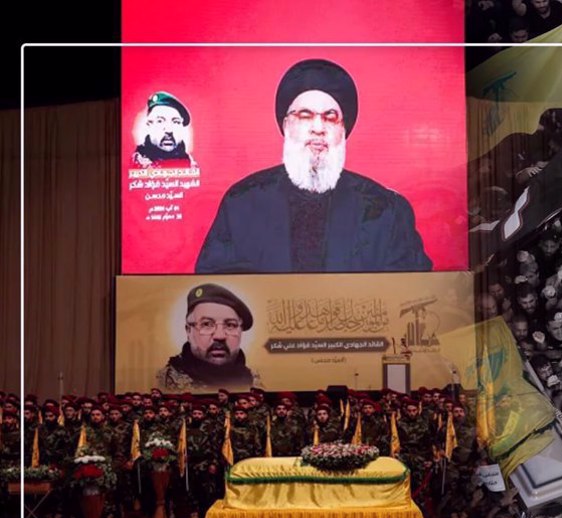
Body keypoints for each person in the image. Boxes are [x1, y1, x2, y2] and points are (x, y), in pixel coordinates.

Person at [196, 59, 431, 273]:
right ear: (286, 126)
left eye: (330, 117)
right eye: (305, 116)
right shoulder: (242, 203)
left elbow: (411, 298)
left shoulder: (386, 210)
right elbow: (215, 296)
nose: (318, 128)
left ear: (343, 131)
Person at [157, 283, 261, 391]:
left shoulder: (255, 382)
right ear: (188, 331)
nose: (219, 336)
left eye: (230, 325)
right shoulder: (164, 382)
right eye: (206, 324)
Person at [131, 91, 197, 169]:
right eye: (160, 121)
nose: (169, 130)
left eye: (176, 122)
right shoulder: (133, 166)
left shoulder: (192, 168)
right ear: (149, 125)